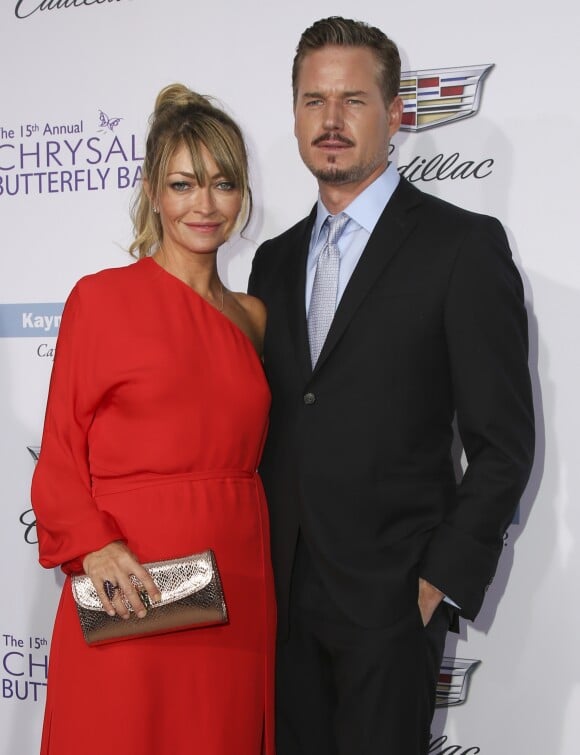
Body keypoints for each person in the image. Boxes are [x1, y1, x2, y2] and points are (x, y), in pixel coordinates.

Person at [248, 16, 535, 755]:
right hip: (277, 598)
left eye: (353, 100)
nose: (332, 121)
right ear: (294, 115)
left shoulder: (460, 246)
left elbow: (502, 441)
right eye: (314, 101)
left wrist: (438, 580)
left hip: (391, 600)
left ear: (395, 113)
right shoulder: (270, 264)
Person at [32, 83, 275, 755]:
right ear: (152, 190)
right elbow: (58, 453)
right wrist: (92, 542)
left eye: (223, 184)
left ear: (242, 193)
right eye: (184, 183)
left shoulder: (253, 318)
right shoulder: (101, 299)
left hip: (236, 578)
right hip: (133, 578)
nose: (205, 204)